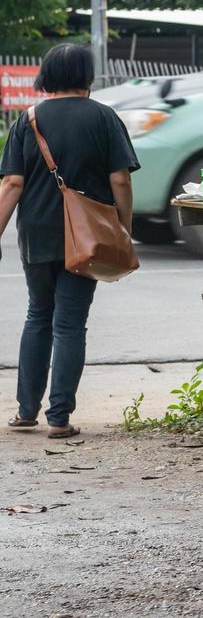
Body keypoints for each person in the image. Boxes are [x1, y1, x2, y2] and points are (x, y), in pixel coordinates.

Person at [0, 44, 138, 440]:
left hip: (38, 235)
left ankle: (26, 411)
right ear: (87, 76)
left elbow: (11, 184)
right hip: (88, 237)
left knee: (38, 316)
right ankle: (59, 418)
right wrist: (123, 227)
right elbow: (120, 180)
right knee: (70, 325)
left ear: (45, 75)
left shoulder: (27, 120)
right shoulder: (104, 118)